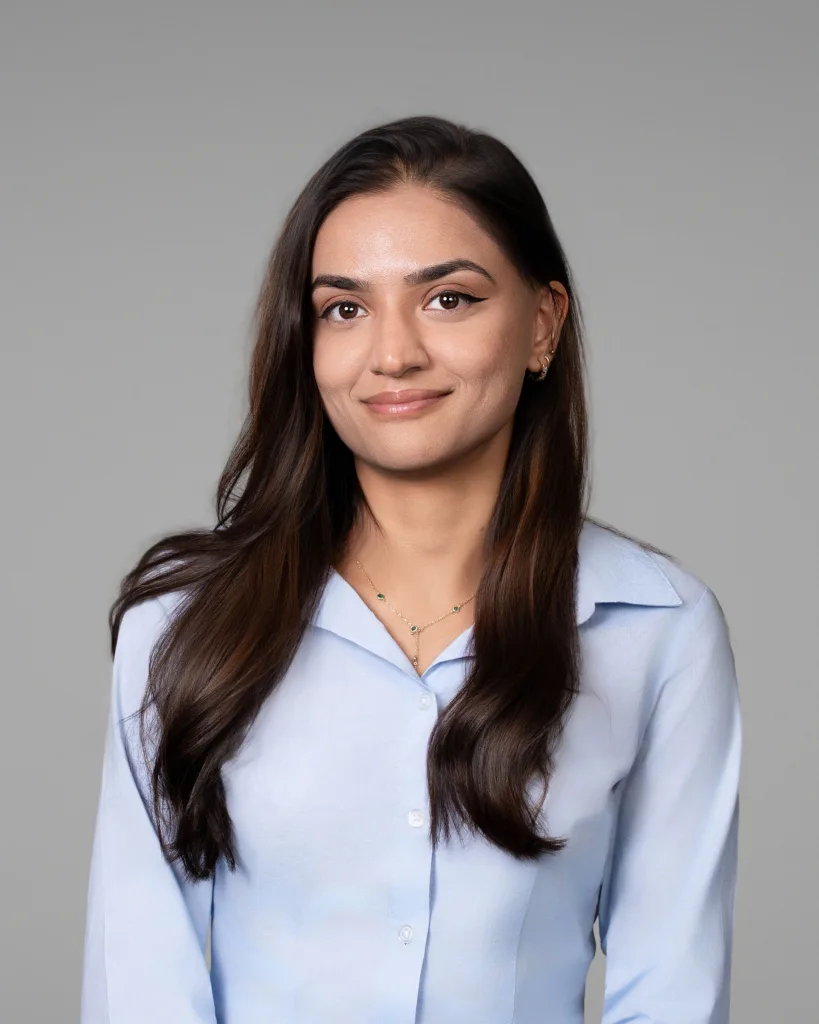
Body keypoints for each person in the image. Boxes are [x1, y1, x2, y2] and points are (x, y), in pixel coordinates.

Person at [80, 115, 742, 1024]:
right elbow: (138, 984)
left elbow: (670, 992)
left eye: (448, 299)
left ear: (541, 323)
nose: (393, 353)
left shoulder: (658, 629)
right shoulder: (184, 626)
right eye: (343, 308)